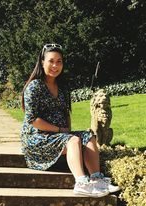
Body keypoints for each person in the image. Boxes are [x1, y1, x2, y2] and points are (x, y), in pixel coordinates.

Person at [21, 43, 120, 197]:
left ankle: (96, 179)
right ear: (42, 62)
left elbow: (66, 112)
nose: (55, 65)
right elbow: (33, 120)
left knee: (89, 136)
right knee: (72, 140)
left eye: (59, 61)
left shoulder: (63, 87)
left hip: (59, 135)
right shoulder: (34, 87)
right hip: (37, 138)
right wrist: (61, 131)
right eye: (51, 61)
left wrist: (67, 129)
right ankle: (81, 183)